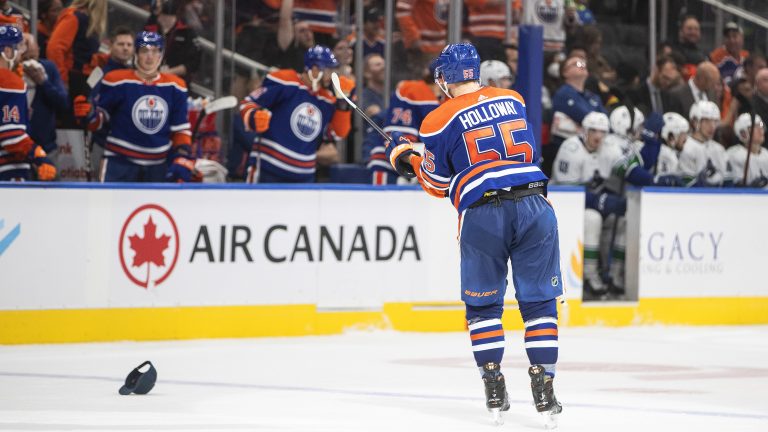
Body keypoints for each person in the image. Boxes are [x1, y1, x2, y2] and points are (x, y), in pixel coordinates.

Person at [384, 42, 563, 426]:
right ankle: (545, 384)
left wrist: (406, 158)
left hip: (484, 213)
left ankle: (493, 382)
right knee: (540, 302)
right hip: (535, 205)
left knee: (484, 306)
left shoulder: (436, 119)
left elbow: (436, 182)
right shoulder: (513, 99)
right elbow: (518, 154)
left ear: (445, 79)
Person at [74, 31, 196, 183]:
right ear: (136, 54)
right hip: (119, 162)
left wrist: (182, 155)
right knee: (110, 207)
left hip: (158, 164)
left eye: (155, 51)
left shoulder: (176, 86)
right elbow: (99, 122)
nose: (150, 56)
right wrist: (89, 114)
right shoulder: (116, 80)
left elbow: (180, 128)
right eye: (144, 51)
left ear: (161, 55)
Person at [239, 45, 351, 183]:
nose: (333, 76)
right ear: (315, 69)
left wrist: (343, 104)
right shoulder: (286, 81)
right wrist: (253, 117)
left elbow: (337, 133)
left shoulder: (327, 100)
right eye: (329, 70)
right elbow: (248, 103)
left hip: (304, 177)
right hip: (268, 169)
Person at [368, 59, 440, 185]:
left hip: (420, 166)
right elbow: (398, 141)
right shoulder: (412, 91)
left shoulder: (445, 98)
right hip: (389, 163)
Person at [0, 25, 55, 182]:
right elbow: (11, 136)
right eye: (19, 47)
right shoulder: (8, 81)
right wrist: (38, 156)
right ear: (8, 51)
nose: (21, 54)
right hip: (7, 169)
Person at [548, 55, 606, 176]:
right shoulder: (562, 94)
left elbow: (604, 121)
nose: (582, 66)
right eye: (577, 64)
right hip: (568, 151)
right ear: (565, 72)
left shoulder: (593, 97)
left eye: (584, 64)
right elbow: (587, 117)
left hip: (594, 151)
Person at [19, 33, 69, 155]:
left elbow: (63, 103)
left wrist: (43, 82)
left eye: (33, 57)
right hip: (17, 147)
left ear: (39, 52)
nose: (29, 63)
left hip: (45, 146)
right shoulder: (8, 73)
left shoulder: (49, 68)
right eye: (25, 58)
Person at [46, 0, 106, 92]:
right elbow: (54, 48)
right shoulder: (74, 17)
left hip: (84, 79)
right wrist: (62, 80)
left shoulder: (88, 20)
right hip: (72, 79)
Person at [144, 0, 202, 88]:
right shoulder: (149, 28)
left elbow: (194, 62)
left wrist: (169, 72)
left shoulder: (186, 31)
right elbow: (138, 53)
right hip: (149, 81)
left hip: (177, 83)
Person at [679, 101, 728, 187]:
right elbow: (686, 184)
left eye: (715, 121)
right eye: (707, 121)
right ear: (695, 122)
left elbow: (727, 181)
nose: (712, 126)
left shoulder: (719, 149)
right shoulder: (685, 146)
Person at [728, 113, 768, 187]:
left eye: (761, 125)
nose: (761, 130)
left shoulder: (766, 154)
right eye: (755, 127)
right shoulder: (735, 155)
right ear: (743, 134)